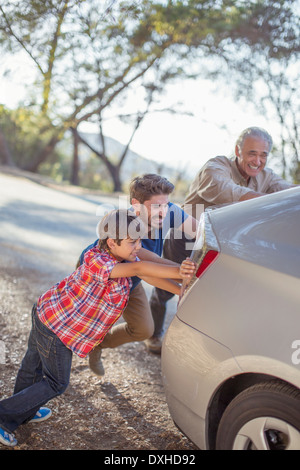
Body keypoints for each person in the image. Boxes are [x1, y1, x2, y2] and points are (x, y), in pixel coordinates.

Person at [0, 209, 196, 447]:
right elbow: (140, 269)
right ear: (112, 242)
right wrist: (180, 272)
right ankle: (4, 417)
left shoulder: (120, 253)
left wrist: (183, 286)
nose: (138, 246)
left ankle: (23, 411)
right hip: (56, 328)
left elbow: (147, 271)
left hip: (49, 315)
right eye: (133, 242)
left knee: (32, 368)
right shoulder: (97, 261)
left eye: (140, 241)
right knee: (56, 382)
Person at [149, 126, 297, 353]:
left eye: (263, 155)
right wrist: (270, 202)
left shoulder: (267, 177)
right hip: (186, 238)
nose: (257, 160)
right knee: (168, 289)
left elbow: (289, 192)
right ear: (238, 150)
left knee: (209, 294)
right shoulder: (215, 167)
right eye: (252, 153)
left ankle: (192, 349)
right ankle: (153, 334)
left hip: (220, 245)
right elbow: (230, 192)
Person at [79, 174, 198, 371]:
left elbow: (201, 232)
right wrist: (183, 283)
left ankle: (98, 344)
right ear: (137, 204)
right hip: (98, 280)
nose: (163, 212)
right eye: (157, 206)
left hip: (129, 280)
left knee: (144, 329)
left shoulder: (169, 211)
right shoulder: (126, 227)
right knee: (77, 327)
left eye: (166, 204)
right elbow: (147, 268)